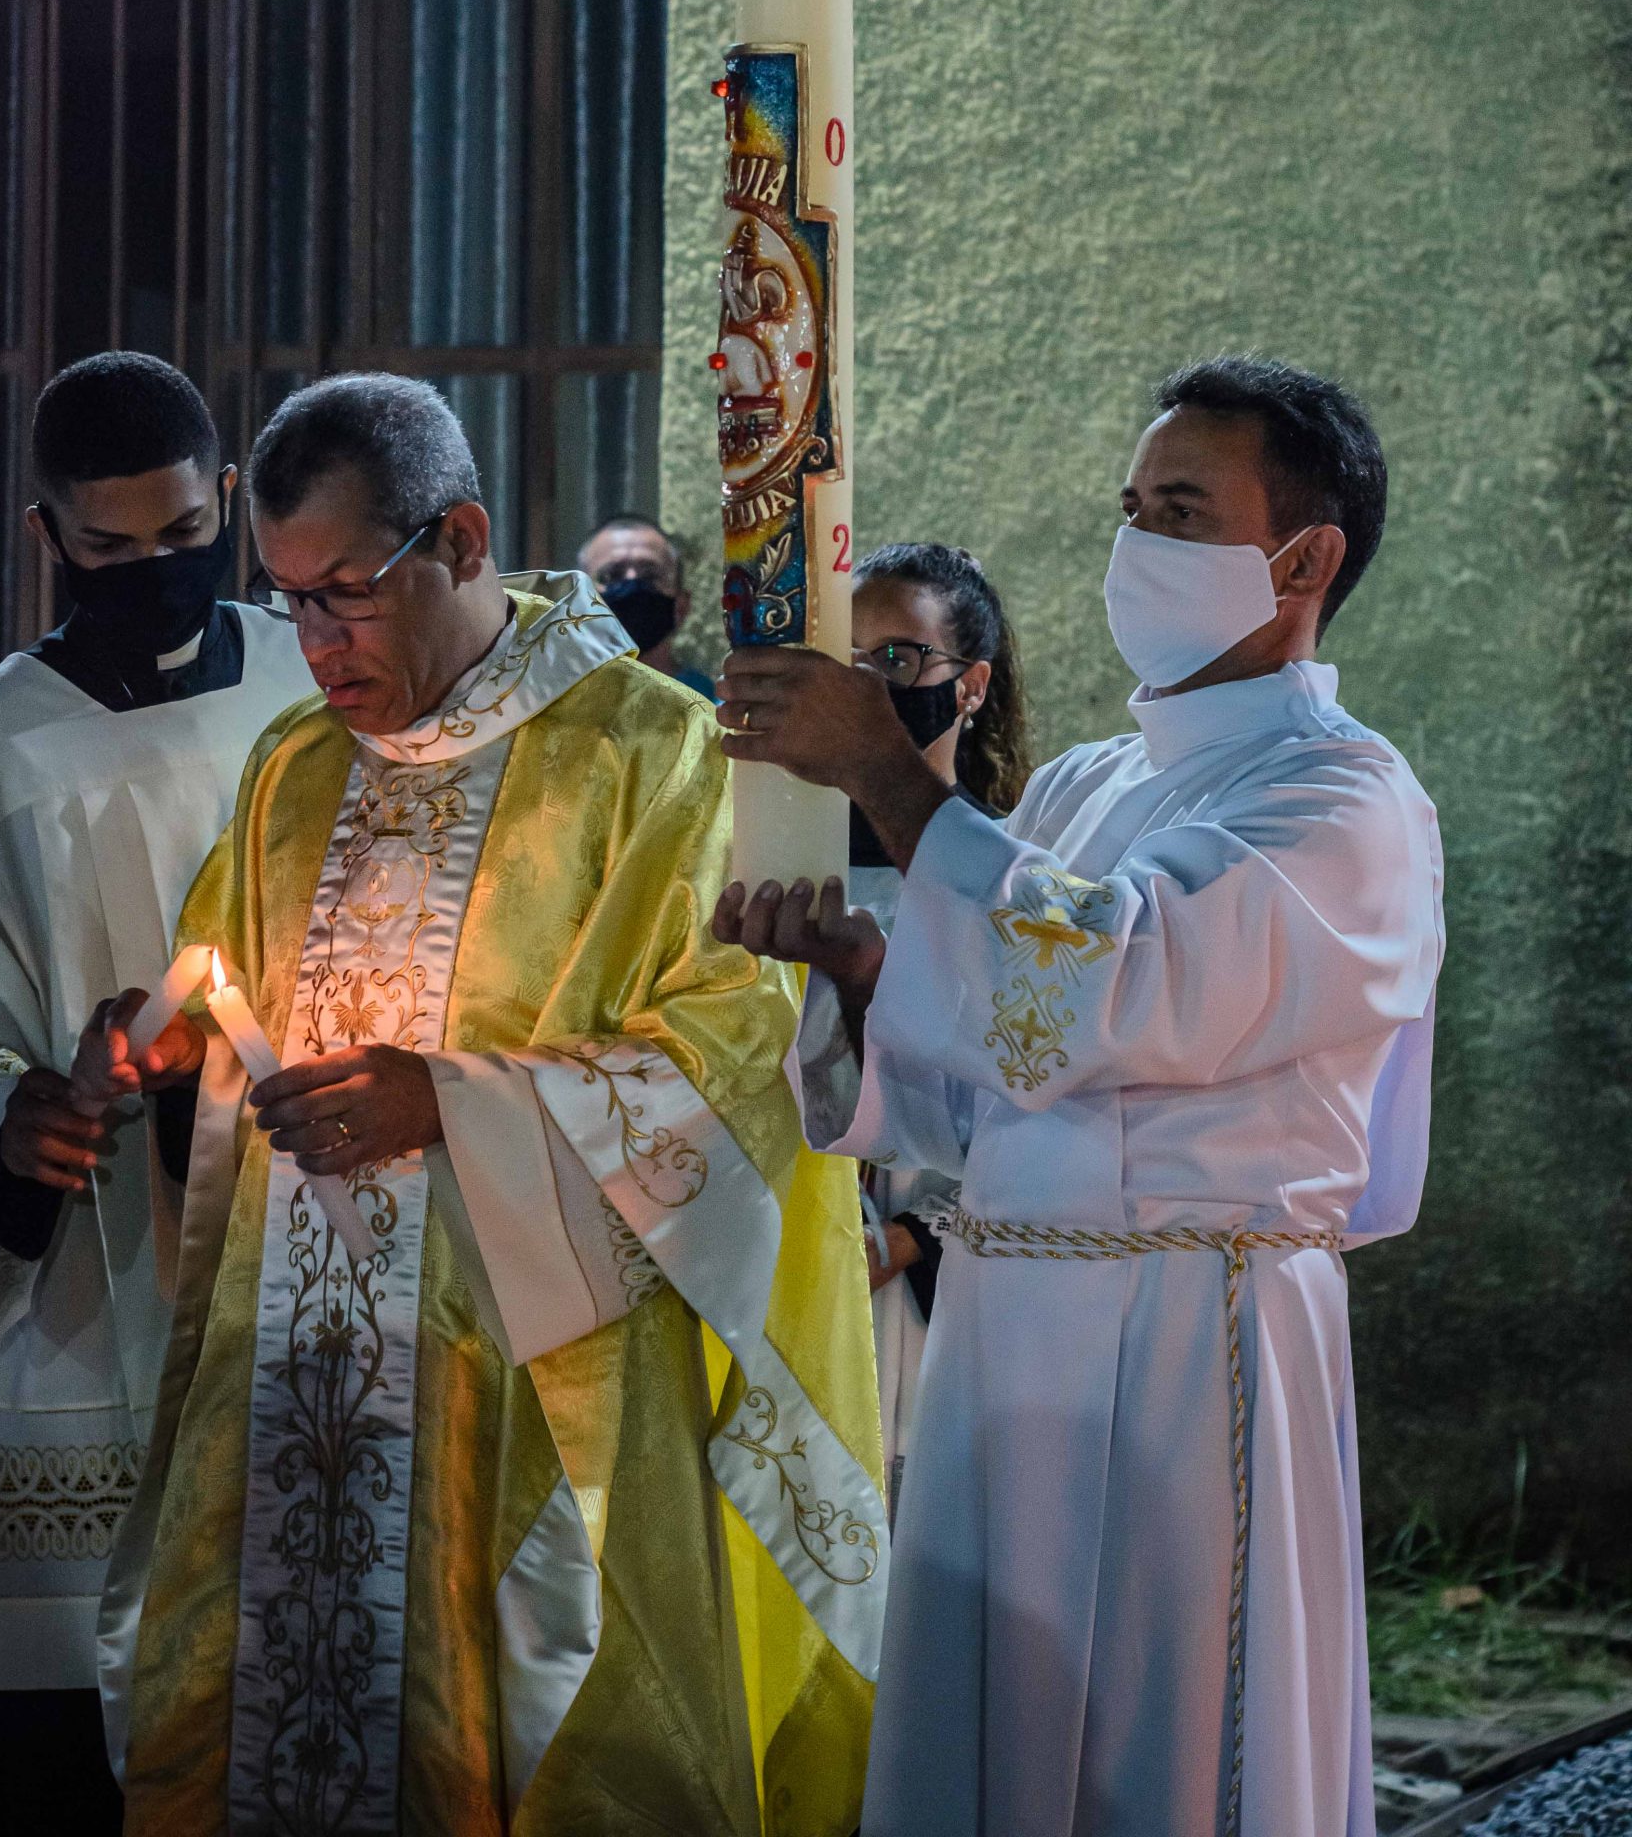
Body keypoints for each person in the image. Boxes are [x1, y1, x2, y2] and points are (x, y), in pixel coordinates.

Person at [97, 375, 883, 1837]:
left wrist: (451, 1102)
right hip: (295, 1376)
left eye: (346, 593)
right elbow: (222, 981)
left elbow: (735, 1048)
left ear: (459, 540)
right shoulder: (293, 765)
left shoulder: (653, 753)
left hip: (527, 1380)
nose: (315, 644)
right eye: (288, 600)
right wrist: (165, 1041)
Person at [717, 356, 1445, 1837]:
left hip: (1193, 1336)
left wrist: (891, 778)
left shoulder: (1344, 798)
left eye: (1180, 510)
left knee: (1157, 1751)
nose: (1133, 542)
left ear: (1302, 561)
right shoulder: (1085, 788)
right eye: (1131, 505)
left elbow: (1120, 983)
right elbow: (989, 1089)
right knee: (984, 1748)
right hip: (1006, 1334)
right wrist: (866, 979)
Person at [0, 353, 311, 1837]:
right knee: (56, 1758)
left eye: (184, 534)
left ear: (228, 498)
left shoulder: (313, 687)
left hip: (292, 1238)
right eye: (109, 546)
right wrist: (11, 1113)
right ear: (46, 535)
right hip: (81, 1294)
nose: (154, 568)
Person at [840, 543, 1031, 1514]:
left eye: (900, 658)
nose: (869, 685)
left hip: (936, 1281)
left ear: (972, 686)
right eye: (849, 659)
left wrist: (912, 1238)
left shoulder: (1015, 875)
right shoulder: (771, 864)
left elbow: (1037, 1084)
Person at [577, 512, 716, 697]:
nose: (632, 582)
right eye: (611, 575)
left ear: (682, 607)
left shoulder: (718, 710)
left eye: (650, 576)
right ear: (579, 605)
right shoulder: (549, 707)